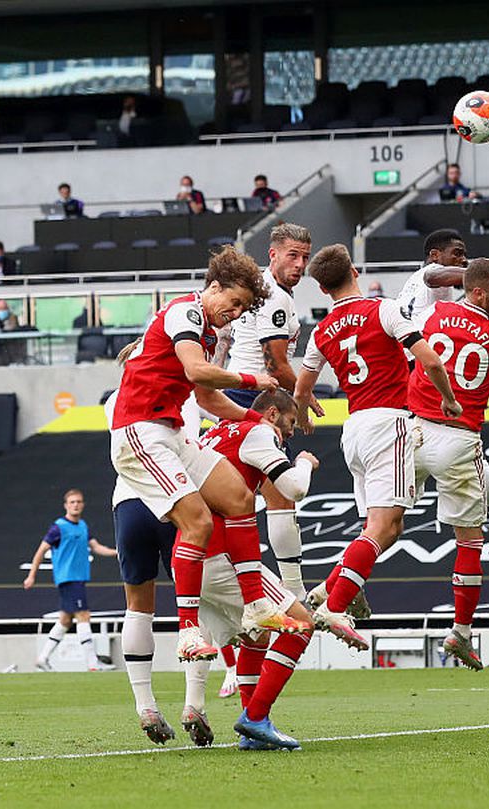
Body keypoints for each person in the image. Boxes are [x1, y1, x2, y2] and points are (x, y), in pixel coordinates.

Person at [110, 246, 289, 663]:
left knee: (240, 497)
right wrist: (252, 378)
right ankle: (188, 630)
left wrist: (253, 419)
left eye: (244, 307)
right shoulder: (185, 312)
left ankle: (256, 606)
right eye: (235, 301)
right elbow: (195, 371)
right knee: (199, 521)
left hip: (169, 432)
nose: (237, 312)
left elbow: (206, 396)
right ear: (214, 287)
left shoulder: (206, 331)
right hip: (140, 432)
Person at [292, 244, 460, 650]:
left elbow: (301, 388)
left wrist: (301, 417)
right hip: (390, 423)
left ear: (320, 286)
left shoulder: (321, 330)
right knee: (385, 528)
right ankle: (335, 604)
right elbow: (431, 361)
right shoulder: (382, 309)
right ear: (353, 271)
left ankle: (330, 588)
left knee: (385, 528)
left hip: (354, 429)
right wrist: (449, 399)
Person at [389, 230, 489, 573]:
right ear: (435, 255)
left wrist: (484, 277)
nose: (462, 260)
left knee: (475, 467)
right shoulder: (427, 280)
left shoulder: (445, 304)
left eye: (465, 256)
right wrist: (482, 274)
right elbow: (437, 274)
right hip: (418, 384)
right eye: (457, 253)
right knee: (395, 522)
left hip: (424, 390)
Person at [191, 388, 320, 751]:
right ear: (273, 414)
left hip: (191, 555)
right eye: (291, 422)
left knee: (256, 636)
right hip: (223, 557)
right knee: (300, 625)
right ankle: (255, 716)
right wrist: (306, 462)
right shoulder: (258, 431)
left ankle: (253, 730)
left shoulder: (216, 432)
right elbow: (293, 488)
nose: (291, 432)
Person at [405, 259, 489, 670]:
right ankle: (461, 632)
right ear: (480, 294)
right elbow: (482, 302)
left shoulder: (434, 312)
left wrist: (474, 274)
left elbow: (431, 277)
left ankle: (335, 595)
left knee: (383, 523)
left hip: (413, 432)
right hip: (459, 437)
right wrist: (482, 277)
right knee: (469, 541)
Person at [216, 223, 313, 600]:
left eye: (305, 256)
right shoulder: (275, 297)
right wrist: (304, 398)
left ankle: (234, 589)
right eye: (292, 255)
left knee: (237, 500)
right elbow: (275, 364)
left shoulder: (258, 286)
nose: (300, 264)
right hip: (255, 402)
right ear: (272, 254)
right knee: (282, 495)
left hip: (236, 395)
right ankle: (293, 591)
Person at [102, 389, 196, 744]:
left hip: (128, 502)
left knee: (138, 609)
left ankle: (146, 706)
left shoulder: (115, 400)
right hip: (173, 498)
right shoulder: (184, 395)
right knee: (193, 605)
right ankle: (194, 705)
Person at [22, 489, 118, 672]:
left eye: (79, 502)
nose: (76, 505)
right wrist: (31, 575)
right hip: (68, 579)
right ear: (66, 505)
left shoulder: (82, 525)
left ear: (83, 504)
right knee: (83, 615)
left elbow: (96, 547)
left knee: (65, 620)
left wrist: (118, 553)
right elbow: (41, 551)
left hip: (79, 578)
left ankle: (42, 658)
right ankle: (92, 664)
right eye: (72, 502)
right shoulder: (58, 527)